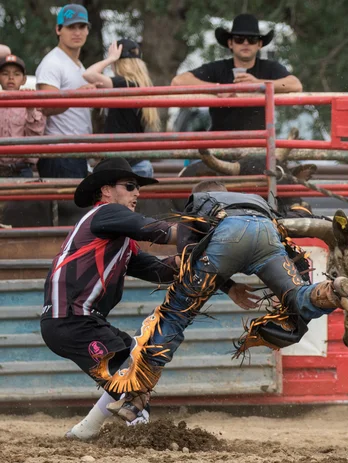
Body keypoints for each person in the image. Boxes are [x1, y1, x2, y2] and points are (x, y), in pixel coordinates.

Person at [97, 180, 348, 423]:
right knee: (297, 296)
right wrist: (239, 287)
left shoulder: (198, 204)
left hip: (226, 235)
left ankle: (136, 398)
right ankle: (332, 291)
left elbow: (188, 256)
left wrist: (215, 282)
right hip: (266, 233)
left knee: (175, 314)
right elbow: (290, 246)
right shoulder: (254, 201)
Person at [39, 157, 180, 440]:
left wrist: (189, 260)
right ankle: (141, 432)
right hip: (71, 320)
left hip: (75, 320)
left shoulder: (116, 234)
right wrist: (206, 235)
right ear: (106, 191)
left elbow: (159, 269)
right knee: (133, 375)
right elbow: (157, 231)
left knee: (136, 361)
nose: (137, 192)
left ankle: (85, 431)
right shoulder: (105, 214)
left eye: (137, 187)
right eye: (130, 186)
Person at [171, 13, 302, 131]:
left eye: (252, 39)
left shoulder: (270, 68)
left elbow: (295, 85)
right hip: (220, 145)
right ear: (230, 43)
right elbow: (178, 81)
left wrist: (259, 85)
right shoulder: (218, 68)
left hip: (257, 147)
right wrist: (217, 89)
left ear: (259, 44)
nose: (245, 43)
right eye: (239, 39)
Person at [35, 4, 96, 178]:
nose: (77, 32)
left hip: (74, 152)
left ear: (87, 30)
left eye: (81, 26)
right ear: (58, 30)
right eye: (71, 27)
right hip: (59, 152)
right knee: (69, 205)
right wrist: (78, 95)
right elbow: (46, 107)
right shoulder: (52, 63)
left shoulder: (77, 65)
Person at [83, 39, 159, 177]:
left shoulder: (124, 83)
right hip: (138, 162)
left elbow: (89, 74)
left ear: (119, 62)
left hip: (124, 165)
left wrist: (110, 58)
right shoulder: (139, 85)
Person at [0, 54, 45, 177]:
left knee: (24, 196)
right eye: (5, 74)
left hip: (22, 169)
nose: (10, 78)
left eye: (16, 74)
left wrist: (30, 109)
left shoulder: (31, 104)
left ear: (24, 79)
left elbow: (35, 136)